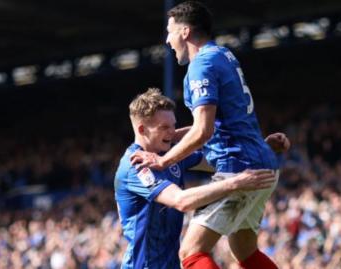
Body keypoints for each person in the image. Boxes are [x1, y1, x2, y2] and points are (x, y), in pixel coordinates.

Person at [130, 2, 290, 269]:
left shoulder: (200, 66)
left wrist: (163, 161)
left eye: (169, 32)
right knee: (244, 250)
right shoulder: (223, 55)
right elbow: (220, 122)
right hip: (262, 163)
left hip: (238, 169)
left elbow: (203, 130)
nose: (167, 40)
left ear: (184, 31)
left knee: (191, 253)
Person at [116, 88, 286, 269]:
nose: (172, 133)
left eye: (173, 125)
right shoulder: (136, 165)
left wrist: (257, 152)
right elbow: (181, 200)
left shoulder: (166, 155)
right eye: (164, 128)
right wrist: (235, 183)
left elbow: (220, 162)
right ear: (142, 129)